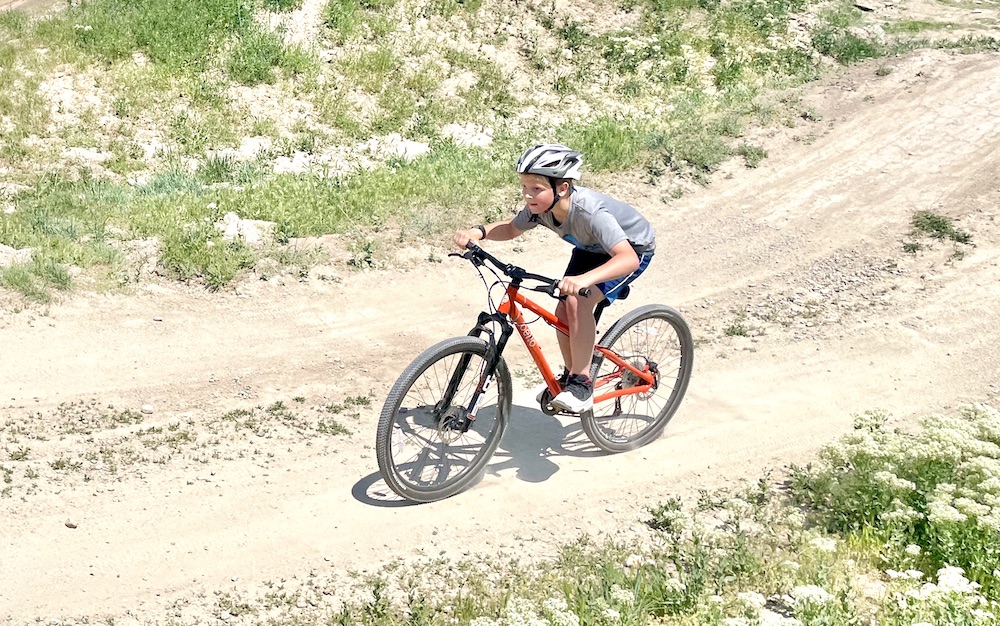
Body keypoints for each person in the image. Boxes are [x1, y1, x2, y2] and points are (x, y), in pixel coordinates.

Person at [453, 143, 656, 413]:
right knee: (563, 308)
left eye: (536, 188)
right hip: (590, 249)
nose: (528, 195)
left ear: (562, 188)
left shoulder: (590, 213)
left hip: (630, 251)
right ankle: (572, 376)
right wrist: (478, 232)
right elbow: (511, 228)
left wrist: (584, 280)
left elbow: (627, 258)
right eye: (524, 187)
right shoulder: (540, 209)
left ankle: (582, 385)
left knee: (577, 301)